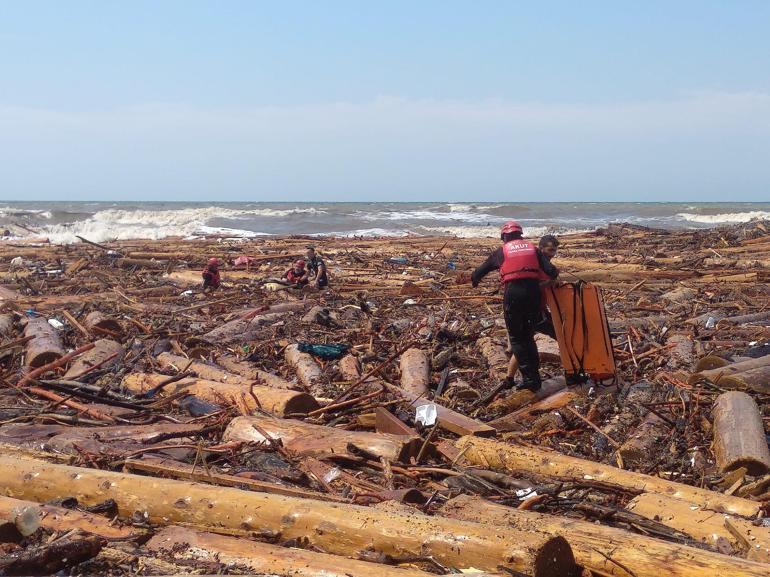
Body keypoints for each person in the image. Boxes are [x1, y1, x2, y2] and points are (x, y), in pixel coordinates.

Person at [471, 221, 558, 392]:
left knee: (518, 339)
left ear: (504, 237)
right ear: (521, 235)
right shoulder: (533, 249)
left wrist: (474, 279)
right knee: (528, 336)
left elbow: (480, 271)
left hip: (514, 294)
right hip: (533, 295)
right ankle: (534, 378)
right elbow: (551, 270)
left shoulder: (501, 251)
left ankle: (530, 380)